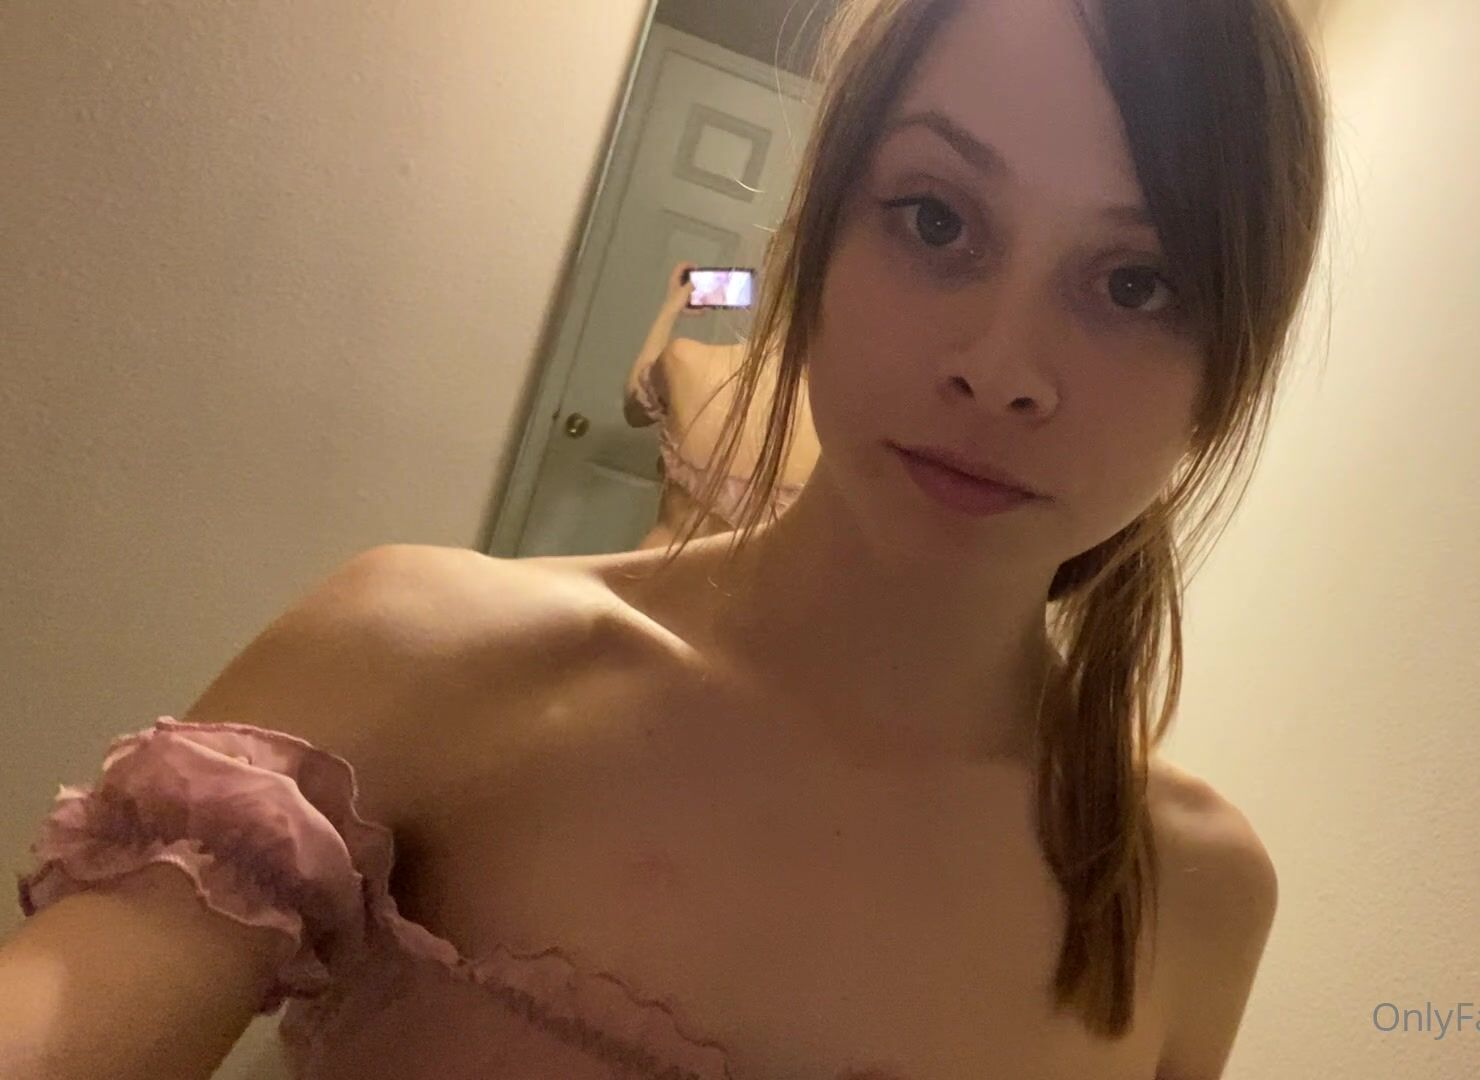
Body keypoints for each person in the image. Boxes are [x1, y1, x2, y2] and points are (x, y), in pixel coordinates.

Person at [1, 0, 1327, 1076]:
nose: (1000, 367)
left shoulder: (1195, 898)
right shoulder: (429, 656)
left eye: (1136, 283)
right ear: (813, 244)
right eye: (936, 219)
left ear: (1227, 381)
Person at [625, 261, 820, 551]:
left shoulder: (683, 360)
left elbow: (634, 407)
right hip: (760, 581)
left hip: (654, 574)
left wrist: (671, 307)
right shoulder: (843, 426)